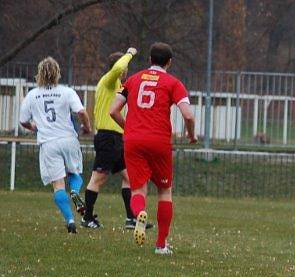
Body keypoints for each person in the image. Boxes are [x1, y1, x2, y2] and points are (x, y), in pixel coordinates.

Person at [109, 42, 196, 255]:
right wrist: (191, 135)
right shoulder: (173, 83)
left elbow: (113, 111)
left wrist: (129, 128)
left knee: (138, 188)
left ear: (149, 60)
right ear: (169, 62)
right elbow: (188, 114)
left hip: (133, 140)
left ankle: (139, 213)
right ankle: (160, 245)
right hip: (159, 140)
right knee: (165, 190)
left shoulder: (133, 80)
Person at [19, 57, 92, 233]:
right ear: (57, 73)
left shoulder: (32, 94)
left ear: (39, 74)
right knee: (75, 174)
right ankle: (74, 192)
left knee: (58, 185)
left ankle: (70, 221)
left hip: (49, 143)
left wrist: (33, 127)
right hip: (68, 139)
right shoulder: (66, 92)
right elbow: (81, 111)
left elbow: (23, 121)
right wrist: (87, 127)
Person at [81, 47, 152, 230]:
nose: (126, 71)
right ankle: (87, 217)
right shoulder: (109, 81)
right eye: (125, 68)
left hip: (118, 138)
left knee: (129, 177)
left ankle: (131, 219)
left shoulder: (119, 87)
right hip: (107, 137)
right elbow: (118, 68)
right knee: (98, 177)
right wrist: (129, 54)